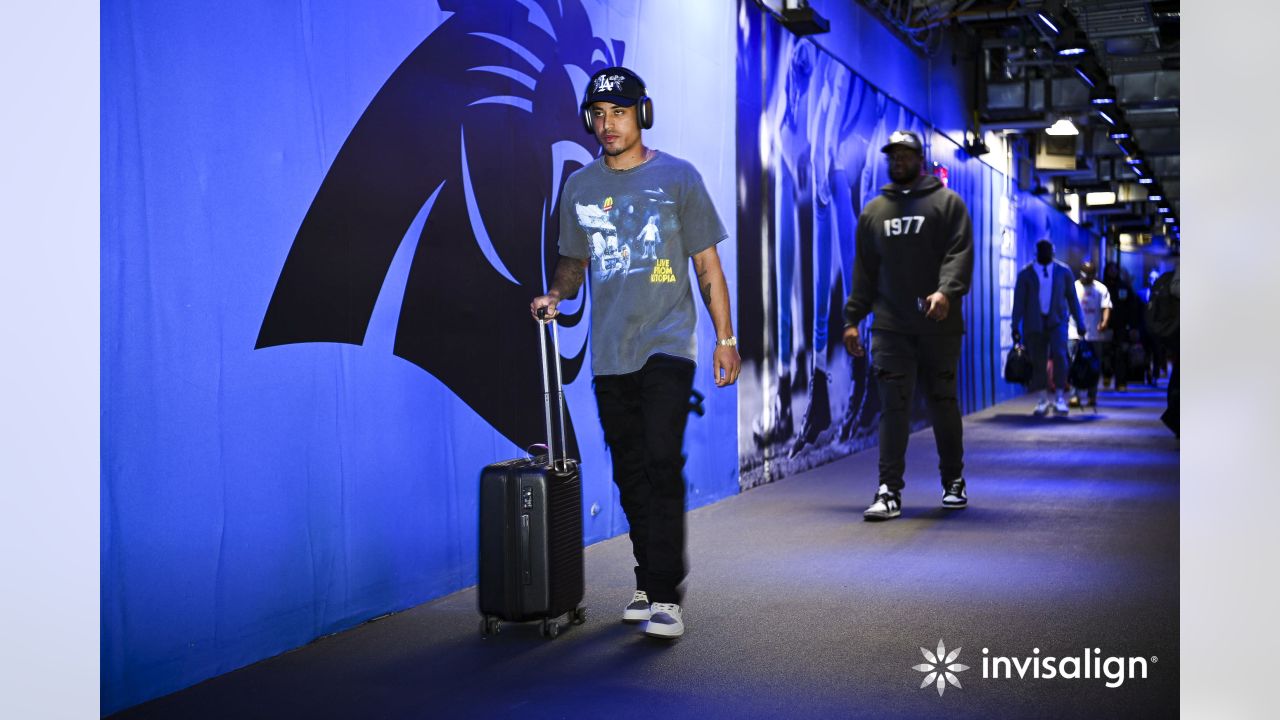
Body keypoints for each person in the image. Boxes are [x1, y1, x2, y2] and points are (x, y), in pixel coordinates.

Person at [530, 66, 739, 640]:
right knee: (629, 470)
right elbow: (574, 262)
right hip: (611, 353)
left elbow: (707, 266)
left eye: (618, 113)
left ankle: (666, 595)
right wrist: (556, 292)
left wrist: (725, 340)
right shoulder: (580, 187)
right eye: (597, 115)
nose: (607, 124)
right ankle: (648, 578)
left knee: (661, 458)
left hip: (668, 345)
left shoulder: (679, 178)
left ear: (641, 114)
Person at [841, 130, 974, 521]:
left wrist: (946, 292)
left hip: (939, 326)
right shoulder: (874, 212)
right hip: (891, 328)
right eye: (893, 155)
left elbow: (959, 253)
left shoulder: (947, 204)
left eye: (906, 154)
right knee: (893, 409)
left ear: (920, 159)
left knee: (943, 404)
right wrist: (852, 319)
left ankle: (953, 481)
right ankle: (888, 491)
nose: (898, 160)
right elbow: (865, 272)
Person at [1011, 239, 1086, 416]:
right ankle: (1042, 399)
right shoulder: (1026, 274)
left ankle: (1060, 397)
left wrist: (1080, 322)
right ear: (1037, 252)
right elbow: (1019, 303)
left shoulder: (1063, 272)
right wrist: (1015, 326)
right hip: (1034, 324)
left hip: (1057, 322)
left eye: (1048, 250)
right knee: (1037, 361)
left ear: (1053, 252)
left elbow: (1072, 299)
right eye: (1042, 250)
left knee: (1060, 357)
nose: (1046, 253)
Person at [1067, 260, 1111, 408]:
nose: (1089, 278)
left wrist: (1104, 322)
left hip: (1094, 334)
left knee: (1093, 367)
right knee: (1074, 366)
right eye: (1087, 274)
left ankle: (1092, 396)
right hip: (1074, 334)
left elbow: (1106, 307)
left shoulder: (1101, 289)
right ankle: (1075, 395)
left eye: (1092, 275)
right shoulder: (1073, 288)